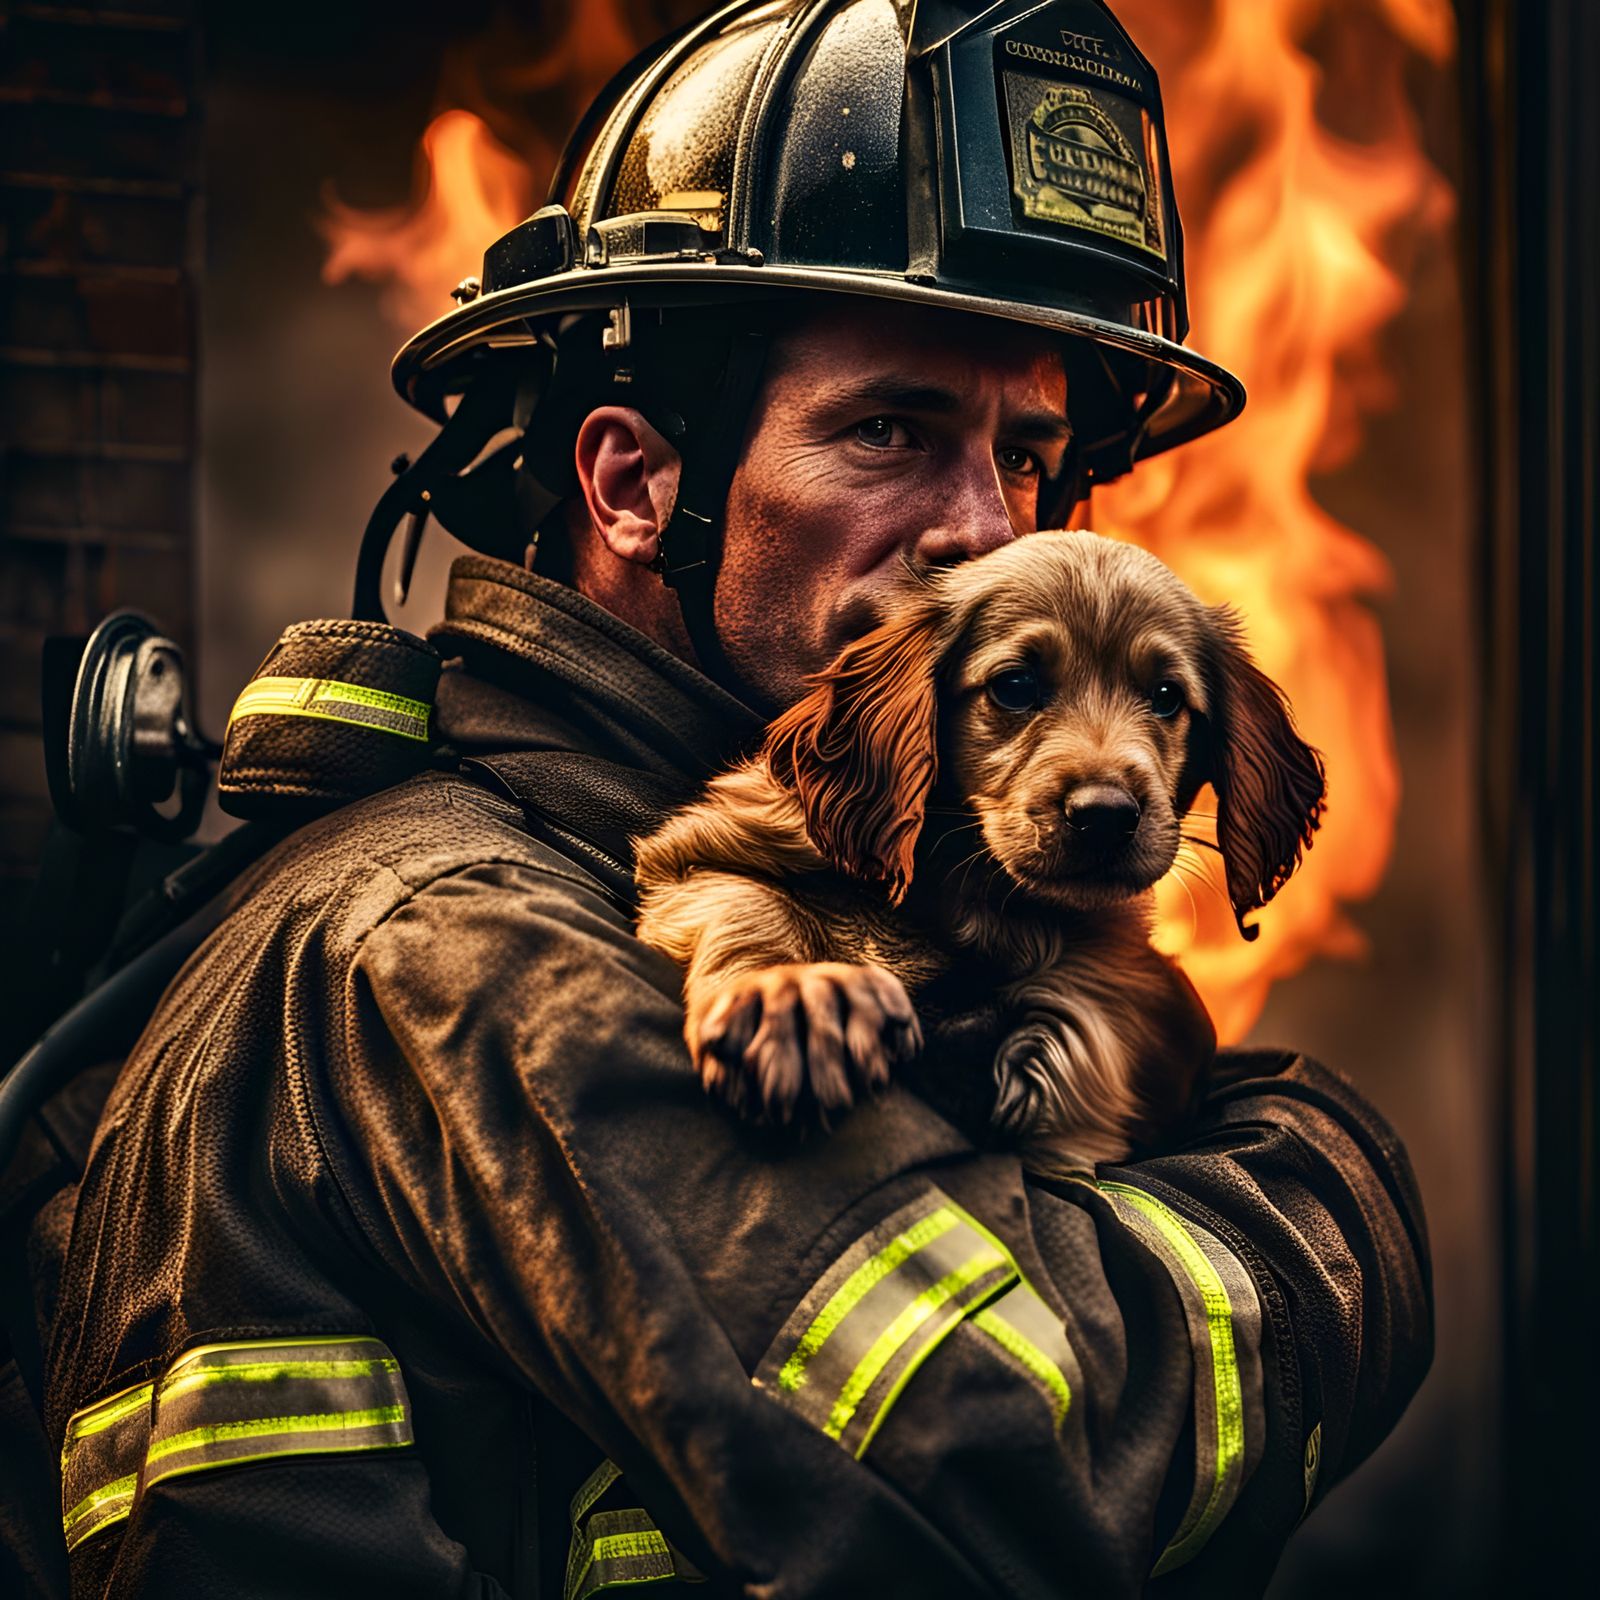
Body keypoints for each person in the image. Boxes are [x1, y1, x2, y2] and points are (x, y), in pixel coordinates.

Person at [21, 3, 1431, 1596]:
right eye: (891, 430)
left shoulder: (697, 868)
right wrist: (1327, 1174)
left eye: (1027, 458)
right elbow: (1027, 1452)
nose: (985, 529)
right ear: (634, 485)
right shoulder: (469, 943)